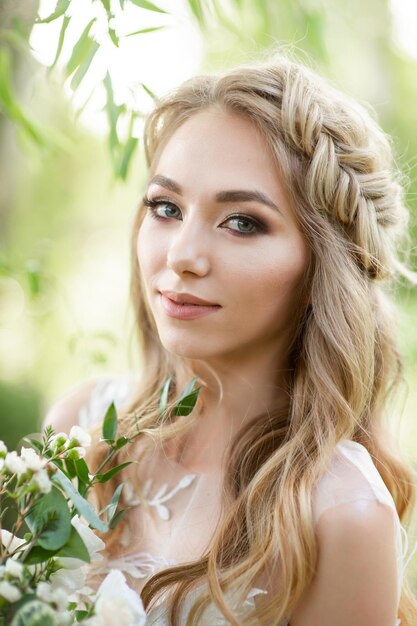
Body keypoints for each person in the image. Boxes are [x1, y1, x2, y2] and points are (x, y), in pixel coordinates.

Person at [43, 50, 417, 626]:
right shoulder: (79, 428)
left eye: (241, 222)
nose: (181, 255)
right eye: (165, 207)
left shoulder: (341, 516)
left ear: (324, 267)